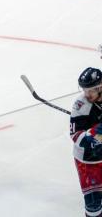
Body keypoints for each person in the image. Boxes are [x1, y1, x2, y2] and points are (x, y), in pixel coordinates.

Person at [70, 67, 102, 217]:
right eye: (85, 90)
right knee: (93, 205)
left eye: (91, 90)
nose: (87, 94)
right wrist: (97, 131)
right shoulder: (80, 105)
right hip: (88, 161)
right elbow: (76, 137)